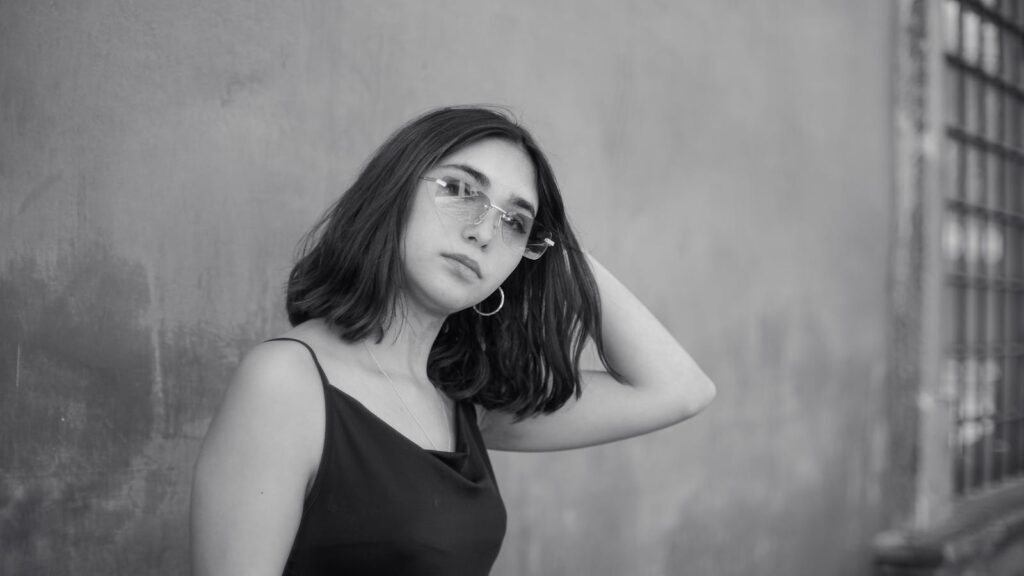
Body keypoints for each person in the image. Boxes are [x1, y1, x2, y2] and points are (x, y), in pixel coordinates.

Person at [189, 105, 716, 575]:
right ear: (392, 190)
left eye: (514, 222)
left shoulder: (463, 402)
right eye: (462, 191)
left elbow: (680, 390)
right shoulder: (286, 384)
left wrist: (561, 248)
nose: (484, 234)